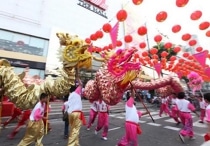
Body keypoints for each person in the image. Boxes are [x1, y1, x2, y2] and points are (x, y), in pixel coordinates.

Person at [67, 79, 86, 146]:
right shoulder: (76, 93)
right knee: (76, 130)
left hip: (70, 113)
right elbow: (81, 84)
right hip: (77, 113)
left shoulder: (70, 95)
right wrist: (78, 78)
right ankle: (70, 144)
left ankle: (76, 143)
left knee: (72, 129)